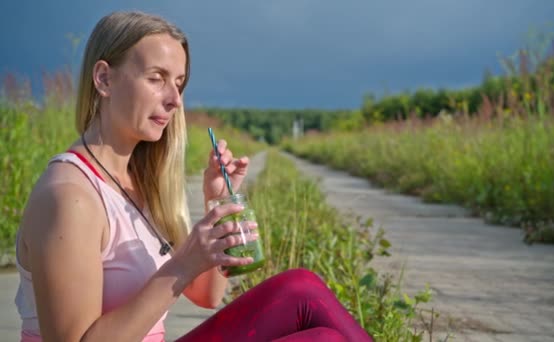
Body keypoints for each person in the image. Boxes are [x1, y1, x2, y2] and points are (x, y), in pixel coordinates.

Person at [13, 11, 372, 342]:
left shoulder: (137, 181)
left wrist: (217, 203)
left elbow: (206, 295)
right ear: (104, 78)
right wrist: (182, 265)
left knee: (301, 288)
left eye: (180, 83)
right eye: (157, 79)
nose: (175, 100)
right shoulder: (70, 197)